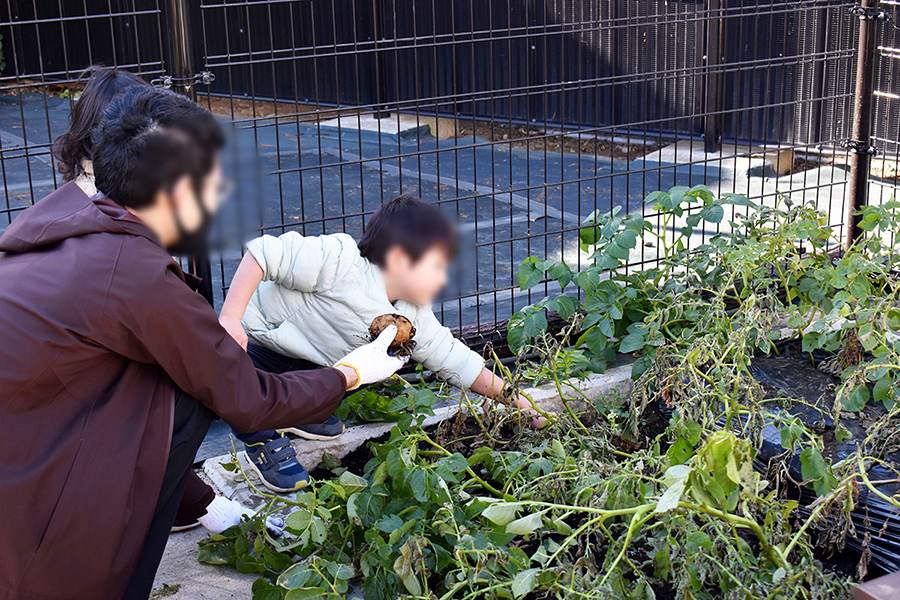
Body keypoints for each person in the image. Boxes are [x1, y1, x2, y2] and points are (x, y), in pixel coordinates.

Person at [0, 86, 406, 600]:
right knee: (189, 396)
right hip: (34, 521)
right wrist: (352, 372)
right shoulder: (134, 275)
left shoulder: (61, 221)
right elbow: (248, 399)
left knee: (174, 378)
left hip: (24, 447)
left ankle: (186, 512)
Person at [51, 65, 280, 535]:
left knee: (192, 367)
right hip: (71, 414)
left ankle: (195, 491)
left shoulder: (78, 208)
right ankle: (217, 476)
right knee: (188, 383)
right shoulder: (106, 217)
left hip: (72, 392)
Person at [217, 195, 542, 491]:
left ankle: (299, 412)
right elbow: (265, 254)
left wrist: (522, 404)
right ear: (399, 259)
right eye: (437, 267)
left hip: (310, 366)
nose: (444, 279)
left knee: (369, 366)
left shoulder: (412, 314)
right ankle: (260, 436)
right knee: (243, 386)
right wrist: (231, 317)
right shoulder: (340, 261)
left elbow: (456, 360)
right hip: (261, 347)